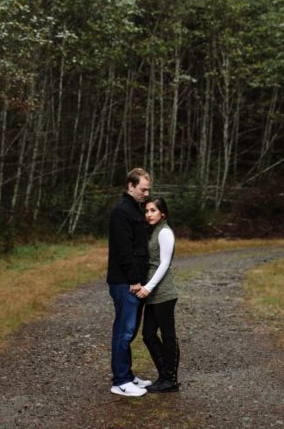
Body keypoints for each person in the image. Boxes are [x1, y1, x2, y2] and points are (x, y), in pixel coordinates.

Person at [106, 167, 153, 397]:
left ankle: (128, 375)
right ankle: (120, 381)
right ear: (130, 186)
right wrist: (134, 280)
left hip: (136, 282)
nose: (146, 193)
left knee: (130, 331)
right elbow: (124, 251)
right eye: (142, 189)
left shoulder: (135, 209)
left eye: (148, 189)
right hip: (125, 283)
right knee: (123, 332)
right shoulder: (121, 212)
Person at [136, 197, 180, 393]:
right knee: (148, 335)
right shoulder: (153, 231)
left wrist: (148, 287)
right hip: (153, 293)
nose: (148, 214)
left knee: (168, 336)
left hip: (164, 293)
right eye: (146, 211)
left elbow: (164, 264)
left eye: (153, 210)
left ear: (163, 213)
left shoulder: (164, 232)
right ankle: (164, 375)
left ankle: (170, 379)